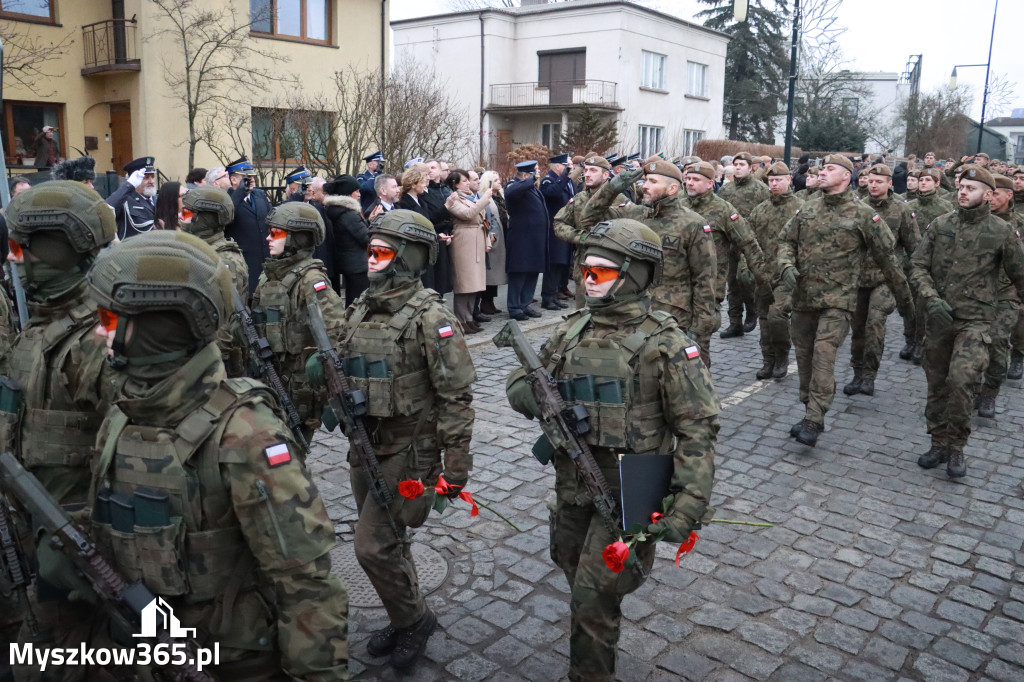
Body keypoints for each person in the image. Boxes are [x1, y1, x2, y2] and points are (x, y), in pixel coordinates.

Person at [84, 230, 350, 681]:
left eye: (110, 320)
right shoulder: (122, 412)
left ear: (156, 328)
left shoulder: (246, 436)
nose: (97, 332)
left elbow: (307, 585)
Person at [505, 218, 718, 682]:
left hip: (628, 491)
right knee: (567, 561)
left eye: (602, 271)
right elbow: (521, 380)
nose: (589, 279)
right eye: (587, 270)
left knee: (593, 595)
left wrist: (687, 504)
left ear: (636, 274)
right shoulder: (571, 330)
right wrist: (537, 396)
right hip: (572, 480)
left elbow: (698, 431)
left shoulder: (666, 345)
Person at [332, 210, 475, 671]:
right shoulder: (362, 306)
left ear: (407, 258)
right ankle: (406, 611)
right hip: (365, 442)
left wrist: (455, 467)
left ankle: (414, 620)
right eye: (370, 250)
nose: (370, 260)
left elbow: (456, 396)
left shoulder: (432, 317)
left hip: (409, 450)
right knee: (389, 542)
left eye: (380, 252)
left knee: (371, 546)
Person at [1, 181, 116, 675]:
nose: (14, 260)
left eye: (22, 249)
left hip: (81, 558)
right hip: (34, 539)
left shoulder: (100, 336)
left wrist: (88, 540)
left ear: (62, 248)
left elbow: (149, 466)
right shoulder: (42, 326)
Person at [778, 155, 914, 447]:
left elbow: (888, 261)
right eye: (822, 168)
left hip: (838, 302)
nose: (822, 173)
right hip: (804, 298)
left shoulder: (864, 214)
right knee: (804, 359)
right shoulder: (808, 207)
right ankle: (808, 410)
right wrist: (787, 265)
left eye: (830, 169)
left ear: (846, 176)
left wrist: (906, 303)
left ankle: (815, 418)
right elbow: (786, 241)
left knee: (823, 357)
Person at [911, 165, 1024, 478]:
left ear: (988, 195)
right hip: (939, 319)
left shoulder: (1001, 232)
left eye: (971, 188)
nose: (962, 192)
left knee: (961, 381)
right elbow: (918, 265)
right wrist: (930, 297)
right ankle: (938, 441)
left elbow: (1019, 274)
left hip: (976, 321)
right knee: (936, 384)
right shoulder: (940, 224)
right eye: (961, 186)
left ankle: (957, 446)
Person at [577, 158, 718, 366]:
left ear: (671, 189)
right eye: (645, 181)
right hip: (633, 314)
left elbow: (705, 279)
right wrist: (613, 187)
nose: (645, 186)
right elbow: (588, 219)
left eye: (652, 181)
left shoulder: (693, 224)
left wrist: (700, 330)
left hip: (675, 318)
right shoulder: (636, 215)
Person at [253, 202, 346, 442]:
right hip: (269, 379)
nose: (267, 238)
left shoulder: (311, 280)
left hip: (298, 389)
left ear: (298, 238)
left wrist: (321, 358)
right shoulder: (269, 275)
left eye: (275, 233)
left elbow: (336, 331)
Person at [843, 164, 920, 397]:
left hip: (885, 279)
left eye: (879, 181)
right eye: (870, 180)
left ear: (889, 183)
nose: (873, 185)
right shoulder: (856, 206)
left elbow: (915, 247)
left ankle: (869, 375)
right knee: (857, 329)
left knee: (875, 322)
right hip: (857, 279)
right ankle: (857, 373)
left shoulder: (902, 210)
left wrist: (908, 274)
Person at [683, 161, 771, 346]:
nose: (690, 183)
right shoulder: (678, 206)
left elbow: (748, 243)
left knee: (698, 346)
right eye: (688, 178)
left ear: (710, 184)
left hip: (708, 288)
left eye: (696, 179)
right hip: (676, 288)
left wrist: (763, 281)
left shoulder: (723, 210)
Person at [975, 174, 1024, 418]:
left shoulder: (1019, 224)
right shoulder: (975, 219)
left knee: (997, 343)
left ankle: (989, 394)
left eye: (996, 193)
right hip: (974, 293)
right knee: (972, 346)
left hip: (1007, 293)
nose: (990, 198)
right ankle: (972, 388)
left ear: (1008, 195)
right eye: (988, 193)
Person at [748, 162, 803, 380]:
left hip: (786, 274)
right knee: (763, 319)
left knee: (777, 315)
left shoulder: (800, 208)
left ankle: (782, 355)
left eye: (779, 180)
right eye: (771, 180)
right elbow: (749, 241)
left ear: (789, 180)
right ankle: (768, 360)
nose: (774, 184)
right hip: (764, 274)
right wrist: (747, 266)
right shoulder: (760, 210)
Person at [905, 168, 955, 363]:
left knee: (925, 303)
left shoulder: (945, 208)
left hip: (935, 263)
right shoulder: (909, 206)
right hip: (912, 262)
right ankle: (910, 340)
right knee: (910, 304)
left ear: (937, 184)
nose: (923, 183)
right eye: (921, 180)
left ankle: (921, 342)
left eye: (928, 180)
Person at [718, 152, 770, 336]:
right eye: (736, 164)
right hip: (730, 244)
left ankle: (752, 310)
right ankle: (735, 323)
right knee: (732, 284)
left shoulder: (761, 189)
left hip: (749, 244)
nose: (738, 167)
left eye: (742, 164)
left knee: (746, 280)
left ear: (750, 168)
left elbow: (766, 216)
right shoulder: (726, 190)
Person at [444, 169, 493, 333]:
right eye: (464, 181)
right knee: (464, 283)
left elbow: (481, 218)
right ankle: (461, 320)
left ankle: (469, 317)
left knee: (475, 283)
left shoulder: (471, 197)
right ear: (455, 184)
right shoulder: (453, 199)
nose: (468, 183)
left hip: (476, 239)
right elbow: (467, 214)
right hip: (463, 241)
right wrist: (484, 200)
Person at [504, 160, 549, 321]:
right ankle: (514, 307)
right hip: (521, 240)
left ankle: (525, 304)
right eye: (535, 172)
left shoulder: (531, 188)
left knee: (532, 273)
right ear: (525, 175)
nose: (539, 174)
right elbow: (509, 193)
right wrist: (529, 180)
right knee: (519, 273)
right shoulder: (513, 185)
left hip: (535, 240)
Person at [224, 156, 272, 293]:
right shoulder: (227, 199)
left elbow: (269, 218)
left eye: (252, 176)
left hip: (265, 260)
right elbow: (225, 218)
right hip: (243, 262)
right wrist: (240, 193)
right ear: (233, 179)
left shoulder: (259, 195)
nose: (251, 180)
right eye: (246, 177)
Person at [323, 174, 371, 307]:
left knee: (353, 299)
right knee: (358, 302)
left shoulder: (338, 211)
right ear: (348, 194)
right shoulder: (348, 214)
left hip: (349, 262)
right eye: (356, 191)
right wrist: (375, 221)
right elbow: (366, 237)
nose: (359, 194)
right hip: (357, 264)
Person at [540, 153, 575, 311]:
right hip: (554, 228)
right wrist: (566, 176)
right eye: (566, 166)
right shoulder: (549, 179)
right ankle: (547, 297)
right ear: (558, 166)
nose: (569, 169)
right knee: (553, 263)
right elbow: (552, 193)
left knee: (561, 263)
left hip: (564, 226)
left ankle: (553, 295)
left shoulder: (563, 180)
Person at [106, 156, 157, 240]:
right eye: (146, 177)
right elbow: (107, 209)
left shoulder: (157, 200)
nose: (151, 181)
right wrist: (129, 185)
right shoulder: (125, 200)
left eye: (152, 176)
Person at [479, 170, 507, 315]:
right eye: (495, 180)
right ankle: (485, 302)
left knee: (496, 272)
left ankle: (491, 302)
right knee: (490, 273)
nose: (499, 181)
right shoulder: (486, 198)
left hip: (501, 238)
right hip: (493, 238)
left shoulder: (499, 197)